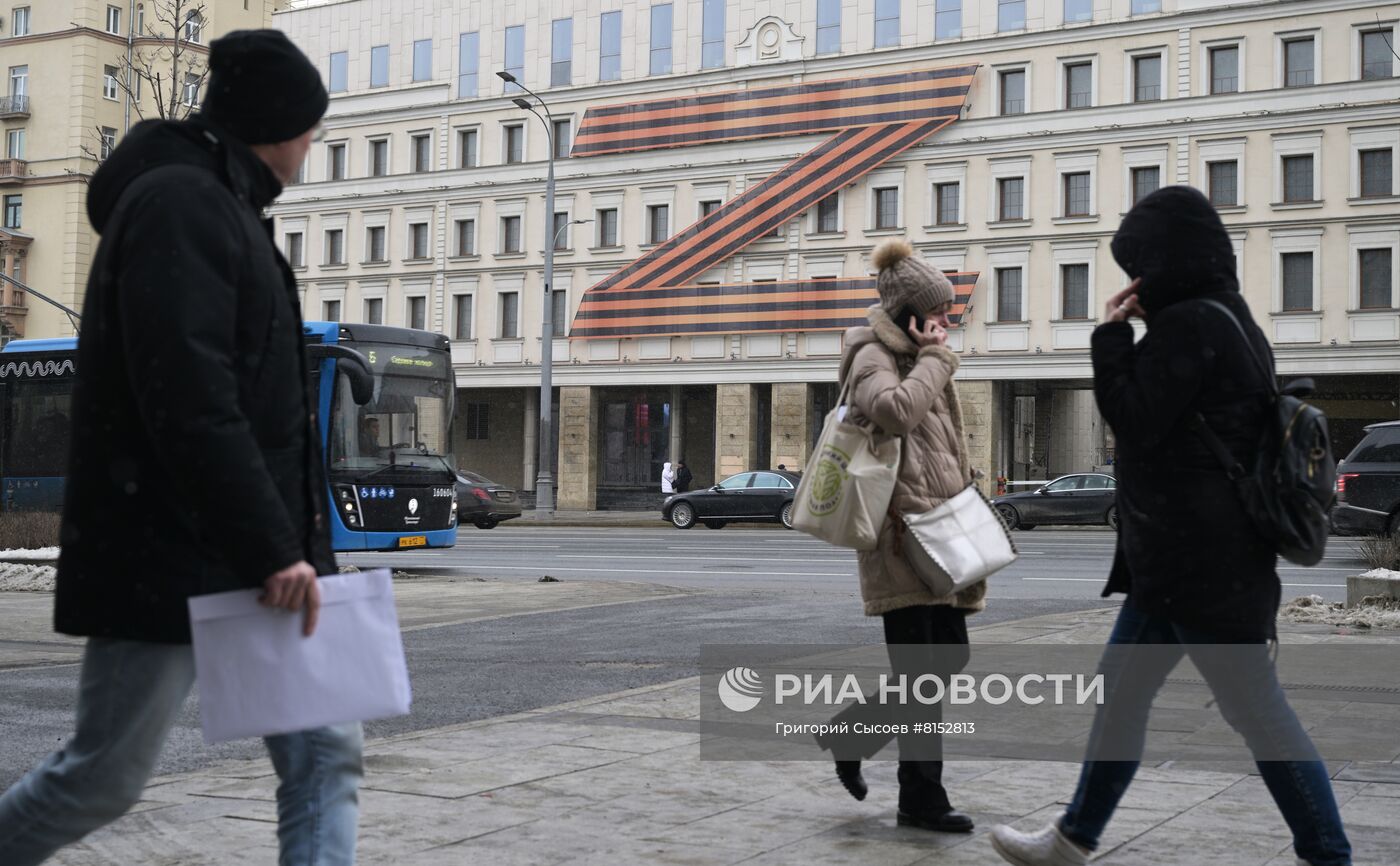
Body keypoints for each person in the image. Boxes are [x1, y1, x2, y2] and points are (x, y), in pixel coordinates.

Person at [0, 31, 364, 866]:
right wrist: (276, 545)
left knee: (323, 754)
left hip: (255, 561)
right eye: (311, 126)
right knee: (100, 778)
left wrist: (289, 548)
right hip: (169, 555)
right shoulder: (181, 206)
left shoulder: (227, 209)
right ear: (279, 124)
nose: (313, 143)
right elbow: (190, 398)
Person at [989, 186, 1352, 866]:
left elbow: (1135, 420)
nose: (1134, 283)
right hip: (1182, 567)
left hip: (1201, 568)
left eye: (1140, 267)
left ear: (1168, 260)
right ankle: (1073, 838)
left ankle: (1330, 854)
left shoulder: (1191, 327)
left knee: (1258, 714)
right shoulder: (1233, 318)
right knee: (1120, 697)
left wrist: (1111, 334)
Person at [813, 239, 983, 834]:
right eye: (937, 314)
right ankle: (922, 801)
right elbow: (891, 412)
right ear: (909, 315)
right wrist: (937, 361)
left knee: (948, 658)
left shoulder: (916, 353)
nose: (946, 323)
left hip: (937, 532)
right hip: (897, 538)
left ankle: (849, 737)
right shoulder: (870, 353)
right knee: (922, 674)